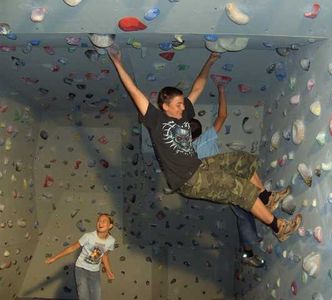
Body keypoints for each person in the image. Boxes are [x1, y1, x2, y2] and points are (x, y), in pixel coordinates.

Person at [108, 47, 302, 242]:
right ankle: (279, 227)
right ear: (165, 106)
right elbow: (133, 90)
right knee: (240, 190)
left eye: (183, 103)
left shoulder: (183, 115)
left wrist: (209, 62)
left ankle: (266, 198)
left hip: (199, 167)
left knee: (242, 161)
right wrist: (117, 63)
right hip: (188, 180)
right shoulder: (155, 120)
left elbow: (198, 88)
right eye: (178, 105)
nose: (183, 107)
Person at [190, 85, 291, 267]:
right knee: (245, 213)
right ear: (199, 131)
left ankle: (266, 202)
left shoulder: (188, 152)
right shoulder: (207, 137)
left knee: (245, 212)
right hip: (227, 183)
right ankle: (249, 251)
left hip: (222, 186)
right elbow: (222, 116)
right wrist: (221, 91)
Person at [45, 214, 115, 300]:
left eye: (104, 221)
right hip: (81, 268)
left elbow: (105, 255)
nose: (100, 223)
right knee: (84, 296)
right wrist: (55, 257)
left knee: (96, 297)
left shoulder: (111, 241)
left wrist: (108, 271)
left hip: (94, 271)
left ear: (110, 226)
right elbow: (73, 247)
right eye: (99, 221)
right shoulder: (88, 236)